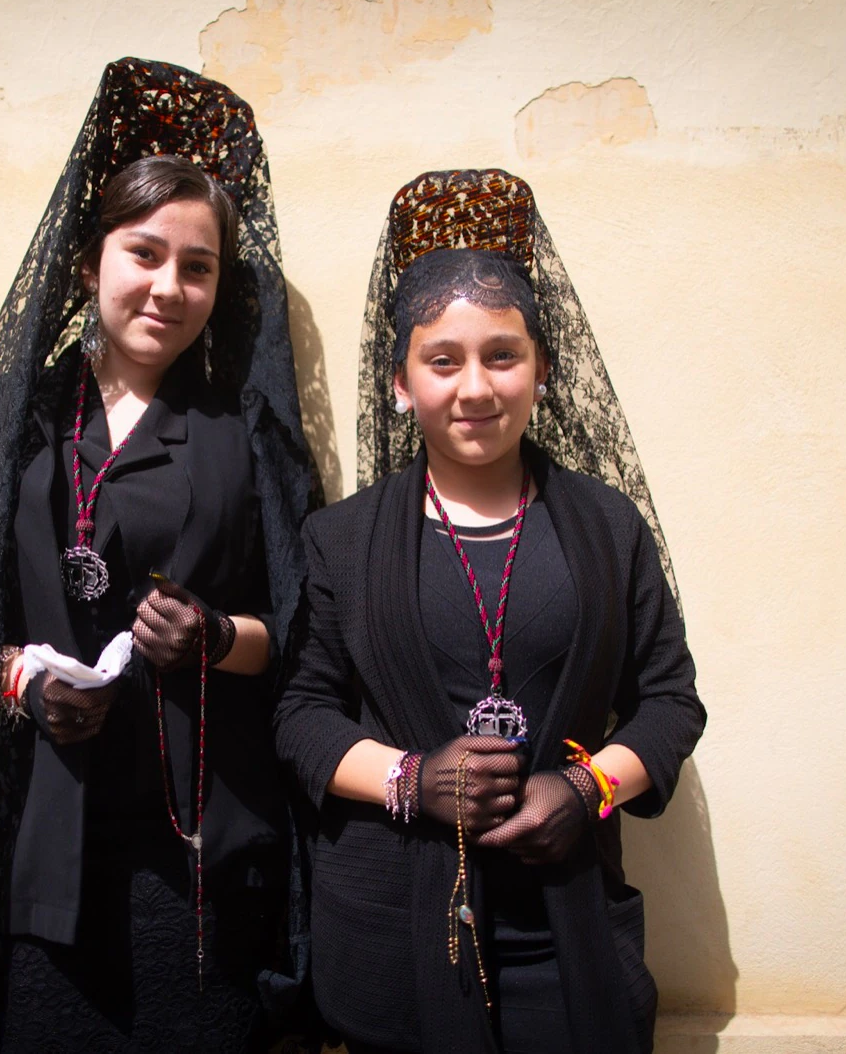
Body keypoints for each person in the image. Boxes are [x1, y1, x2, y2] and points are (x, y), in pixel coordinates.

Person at [0, 58, 320, 1053]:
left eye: (197, 267)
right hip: (43, 845)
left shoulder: (245, 438)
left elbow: (306, 640)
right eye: (143, 253)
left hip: (196, 853)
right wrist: (20, 677)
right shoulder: (6, 423)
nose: (169, 286)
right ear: (87, 262)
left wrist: (215, 635)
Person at [274, 169, 705, 1054]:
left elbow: (670, 703)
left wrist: (585, 790)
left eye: (502, 355)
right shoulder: (342, 541)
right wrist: (410, 779)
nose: (475, 387)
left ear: (543, 370)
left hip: (566, 930)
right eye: (443, 361)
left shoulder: (606, 527)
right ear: (400, 383)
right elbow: (300, 715)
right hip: (396, 933)